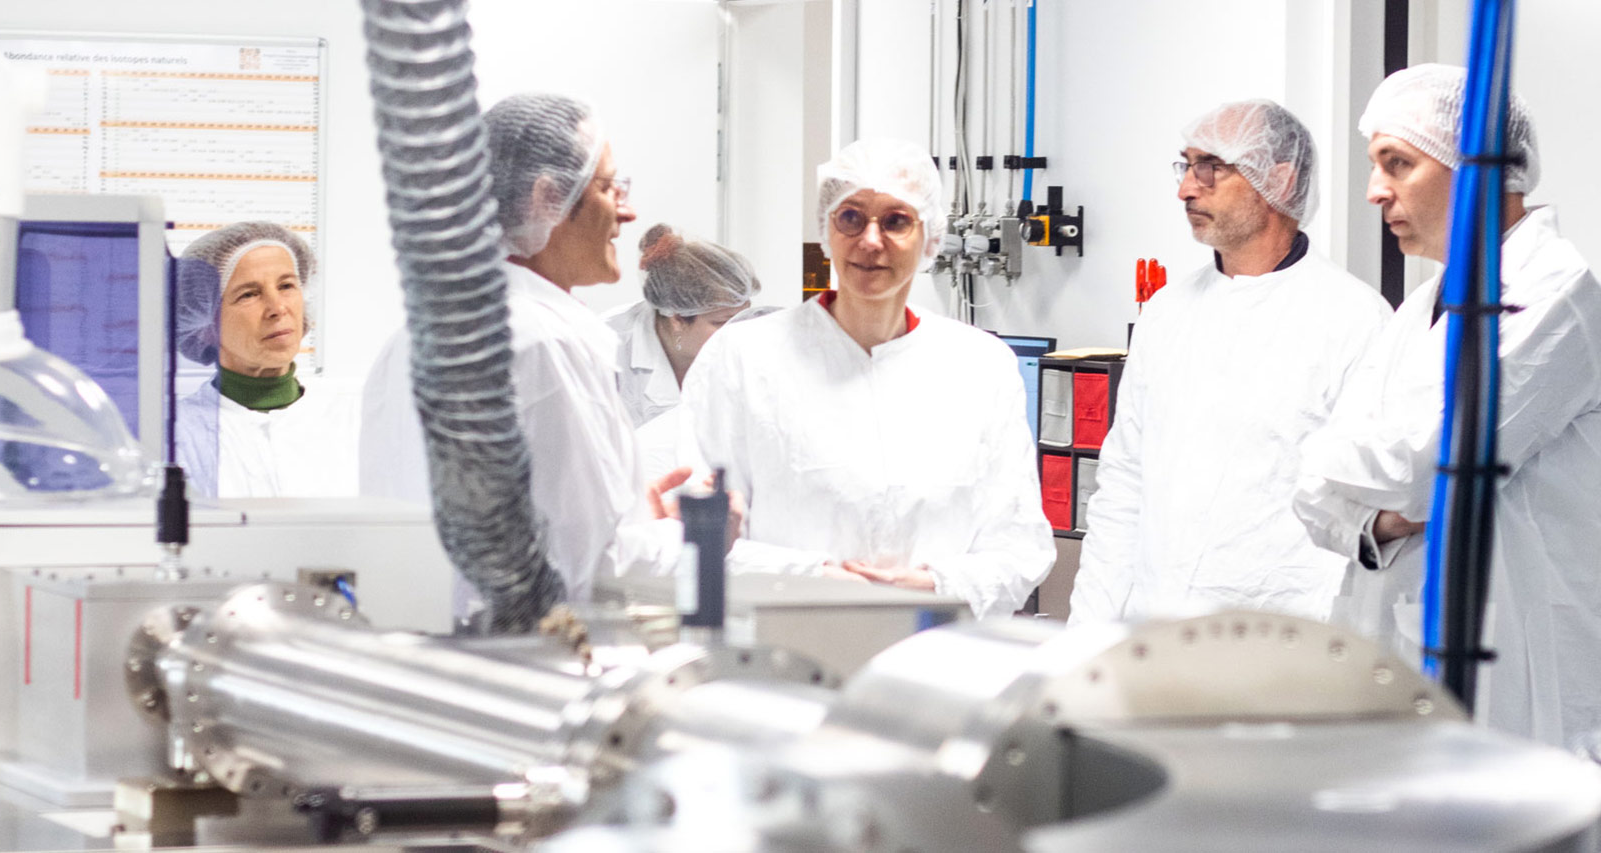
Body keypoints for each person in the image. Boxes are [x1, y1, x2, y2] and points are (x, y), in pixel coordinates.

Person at [1294, 64, 1601, 749]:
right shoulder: (1418, 309)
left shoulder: (1557, 292)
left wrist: (1352, 472)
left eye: (1397, 163)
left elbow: (1426, 465)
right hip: (1405, 650)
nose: (1375, 190)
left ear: (1481, 167)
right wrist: (1377, 517)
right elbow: (1313, 494)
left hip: (1519, 676)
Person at [679, 138, 1053, 619]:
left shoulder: (981, 365)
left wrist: (932, 586)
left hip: (937, 642)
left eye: (896, 221)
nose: (871, 241)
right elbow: (694, 534)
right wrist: (817, 579)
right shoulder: (742, 358)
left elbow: (1019, 546)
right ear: (826, 228)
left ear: (930, 236)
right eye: (851, 217)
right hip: (785, 640)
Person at [360, 93, 690, 615]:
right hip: (525, 652)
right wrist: (693, 535)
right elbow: (587, 573)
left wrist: (628, 515)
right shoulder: (545, 343)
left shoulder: (411, 338)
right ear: (547, 198)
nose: (627, 211)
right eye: (608, 187)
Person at [1068, 100, 1390, 625]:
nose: (1185, 189)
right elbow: (1123, 483)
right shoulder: (1166, 312)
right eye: (1186, 165)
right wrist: (1088, 630)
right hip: (1153, 631)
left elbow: (1357, 507)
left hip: (1280, 638)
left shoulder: (1355, 320)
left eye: (1210, 167)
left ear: (1278, 180)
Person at [173, 221, 355, 498]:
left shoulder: (353, 422)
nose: (278, 308)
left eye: (287, 285)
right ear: (205, 324)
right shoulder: (177, 436)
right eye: (249, 294)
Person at [606, 223, 760, 482]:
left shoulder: (747, 346)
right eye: (722, 322)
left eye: (743, 316)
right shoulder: (608, 348)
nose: (736, 331)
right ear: (677, 317)